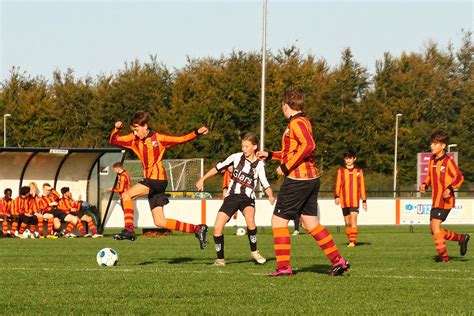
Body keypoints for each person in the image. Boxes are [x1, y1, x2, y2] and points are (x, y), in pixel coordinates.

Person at [257, 88, 350, 276]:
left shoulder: (296, 123)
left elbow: (309, 146)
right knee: (310, 223)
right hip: (311, 178)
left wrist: (285, 167)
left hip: (298, 179)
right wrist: (271, 155)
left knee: (278, 222)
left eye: (282, 105)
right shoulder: (303, 121)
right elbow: (294, 150)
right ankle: (338, 261)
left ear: (286, 105)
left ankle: (283, 268)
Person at [110, 111, 209, 248]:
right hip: (154, 182)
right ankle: (197, 229)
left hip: (157, 180)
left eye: (137, 130)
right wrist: (117, 129)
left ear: (145, 126)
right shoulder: (134, 138)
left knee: (126, 195)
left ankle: (129, 229)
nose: (135, 133)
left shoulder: (159, 138)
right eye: (133, 130)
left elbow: (181, 139)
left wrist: (196, 132)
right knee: (160, 222)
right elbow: (114, 140)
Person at [196, 132, 275, 266]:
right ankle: (220, 259)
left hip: (247, 198)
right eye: (243, 146)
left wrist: (271, 195)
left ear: (254, 147)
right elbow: (218, 167)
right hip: (232, 197)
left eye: (246, 146)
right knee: (217, 228)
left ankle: (254, 251)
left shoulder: (260, 165)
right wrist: (202, 179)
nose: (244, 149)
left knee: (250, 221)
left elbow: (265, 183)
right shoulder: (236, 157)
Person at [419, 130, 469, 262]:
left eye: (435, 144)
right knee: (433, 230)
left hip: (446, 201)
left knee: (435, 227)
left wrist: (451, 188)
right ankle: (462, 238)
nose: (431, 146)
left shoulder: (448, 161)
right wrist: (425, 183)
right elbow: (429, 176)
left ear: (443, 146)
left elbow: (459, 177)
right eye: (432, 143)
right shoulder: (432, 160)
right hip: (436, 201)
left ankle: (444, 258)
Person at [334, 149, 367, 247]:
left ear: (354, 159)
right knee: (347, 223)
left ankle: (352, 242)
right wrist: (337, 196)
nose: (348, 160)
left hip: (355, 200)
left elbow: (362, 186)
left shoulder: (359, 171)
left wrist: (364, 200)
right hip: (344, 200)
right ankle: (351, 239)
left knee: (353, 219)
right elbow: (338, 184)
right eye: (346, 158)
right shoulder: (341, 171)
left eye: (350, 158)